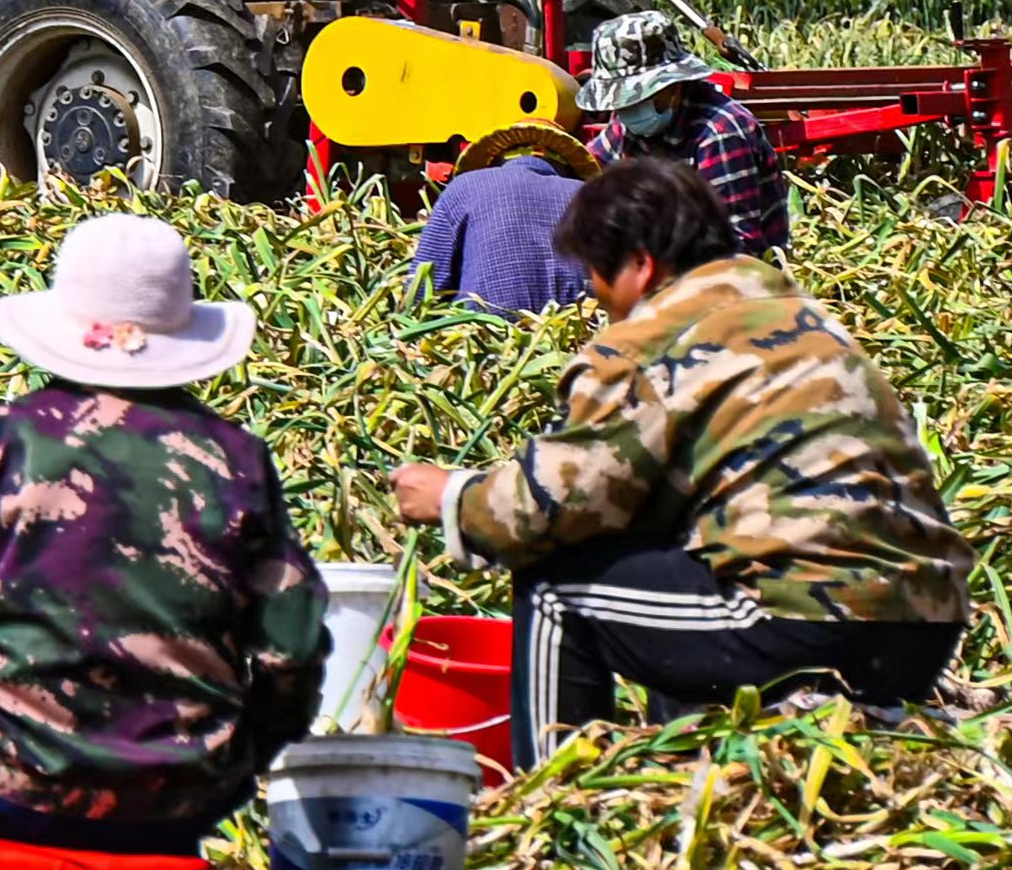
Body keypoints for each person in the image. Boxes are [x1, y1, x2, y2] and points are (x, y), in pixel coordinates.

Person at [388, 155, 967, 767]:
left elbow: (557, 501)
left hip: (808, 615)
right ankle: (700, 762)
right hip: (927, 619)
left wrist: (453, 496)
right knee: (672, 568)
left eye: (596, 273)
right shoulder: (795, 314)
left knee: (558, 585)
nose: (592, 292)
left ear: (640, 265)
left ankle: (553, 800)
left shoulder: (656, 336)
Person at [0, 214, 328, 861]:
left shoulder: (5, 442)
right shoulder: (237, 459)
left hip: (9, 786)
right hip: (180, 796)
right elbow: (292, 643)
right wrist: (247, 752)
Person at [577, 5, 795, 261]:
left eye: (638, 99)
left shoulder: (719, 132)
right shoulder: (629, 122)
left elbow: (735, 248)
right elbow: (588, 167)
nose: (627, 110)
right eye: (622, 102)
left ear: (674, 85)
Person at [413, 117, 596, 314]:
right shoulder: (590, 198)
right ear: (566, 166)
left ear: (498, 158)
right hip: (577, 332)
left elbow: (422, 290)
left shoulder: (464, 187)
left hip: (483, 333)